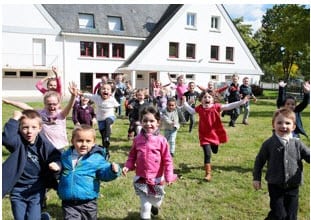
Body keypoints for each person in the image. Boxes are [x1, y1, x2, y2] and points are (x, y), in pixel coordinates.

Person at [49, 124, 121, 220]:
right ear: (72, 141)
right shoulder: (66, 156)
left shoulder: (96, 158)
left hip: (88, 202)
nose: (84, 144)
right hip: (69, 202)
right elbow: (60, 172)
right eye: (79, 140)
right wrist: (57, 167)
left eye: (88, 141)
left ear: (93, 143)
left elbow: (104, 173)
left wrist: (112, 171)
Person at [2, 109, 61, 220]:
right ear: (19, 128)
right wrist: (14, 119)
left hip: (36, 189)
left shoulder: (43, 144)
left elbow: (56, 155)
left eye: (33, 127)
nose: (29, 131)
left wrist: (57, 164)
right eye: (25, 127)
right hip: (18, 190)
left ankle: (42, 217)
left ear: (40, 128)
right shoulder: (17, 142)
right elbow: (6, 139)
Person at [252, 108, 310, 220]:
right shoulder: (269, 144)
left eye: (287, 123)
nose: (283, 126)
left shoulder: (298, 144)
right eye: (279, 122)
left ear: (293, 127)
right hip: (275, 185)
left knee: (291, 216)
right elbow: (259, 161)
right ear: (273, 125)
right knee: (279, 215)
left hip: (293, 185)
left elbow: (308, 156)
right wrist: (256, 178)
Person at [122, 106, 178, 220]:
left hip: (157, 178)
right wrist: (128, 166)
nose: (148, 124)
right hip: (141, 177)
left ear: (158, 122)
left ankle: (155, 205)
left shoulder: (162, 140)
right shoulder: (137, 139)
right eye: (145, 121)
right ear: (141, 122)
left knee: (156, 202)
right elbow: (132, 155)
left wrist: (169, 176)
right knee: (145, 206)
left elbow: (167, 160)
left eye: (151, 121)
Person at [182, 91, 248, 181]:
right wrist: (185, 102)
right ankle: (208, 174)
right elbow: (191, 111)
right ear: (201, 100)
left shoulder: (216, 107)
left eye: (209, 97)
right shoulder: (200, 108)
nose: (207, 99)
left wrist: (241, 102)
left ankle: (215, 145)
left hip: (214, 134)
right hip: (204, 135)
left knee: (215, 151)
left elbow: (229, 106)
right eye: (205, 97)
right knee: (207, 154)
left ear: (213, 99)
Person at [3, 82, 78, 151]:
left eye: (54, 104)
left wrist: (73, 96)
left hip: (59, 147)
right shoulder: (40, 113)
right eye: (49, 104)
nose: (52, 106)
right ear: (44, 104)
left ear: (58, 104)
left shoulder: (61, 114)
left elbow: (69, 106)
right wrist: (9, 102)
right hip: (44, 146)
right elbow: (25, 106)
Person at [81, 83, 120, 158]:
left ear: (111, 92)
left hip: (110, 116)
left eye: (108, 89)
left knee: (107, 121)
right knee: (103, 136)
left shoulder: (112, 99)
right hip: (100, 119)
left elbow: (117, 105)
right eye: (103, 89)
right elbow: (89, 95)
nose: (105, 90)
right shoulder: (97, 98)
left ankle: (107, 137)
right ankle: (106, 151)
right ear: (100, 91)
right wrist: (80, 93)